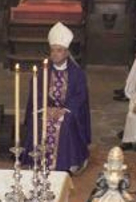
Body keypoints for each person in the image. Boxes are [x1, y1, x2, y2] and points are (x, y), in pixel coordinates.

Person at [21, 22, 92, 174]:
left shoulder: (77, 74)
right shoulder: (42, 72)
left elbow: (80, 97)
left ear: (66, 53)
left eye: (59, 51)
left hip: (67, 111)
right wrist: (46, 108)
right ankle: (36, 160)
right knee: (39, 121)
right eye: (52, 50)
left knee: (65, 123)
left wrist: (64, 110)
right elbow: (36, 94)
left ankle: (69, 162)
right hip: (46, 109)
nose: (55, 54)